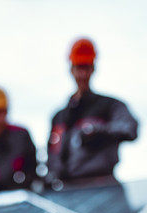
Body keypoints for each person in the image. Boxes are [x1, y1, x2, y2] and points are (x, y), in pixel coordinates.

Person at [46, 38, 139, 186]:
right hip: (66, 190)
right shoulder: (60, 117)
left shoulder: (110, 106)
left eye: (86, 67)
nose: (82, 74)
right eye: (79, 67)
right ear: (71, 69)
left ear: (93, 68)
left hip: (103, 185)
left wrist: (97, 131)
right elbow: (52, 154)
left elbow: (130, 128)